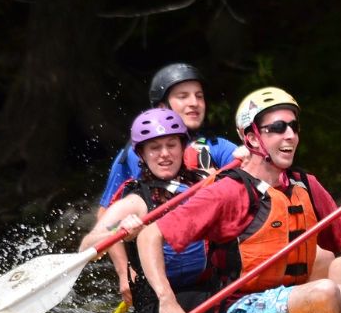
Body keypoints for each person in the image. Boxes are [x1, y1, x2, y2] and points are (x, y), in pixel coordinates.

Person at [137, 86, 341, 313]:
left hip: (295, 297)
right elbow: (149, 235)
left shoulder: (306, 185)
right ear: (253, 139)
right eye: (277, 128)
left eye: (293, 126)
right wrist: (167, 300)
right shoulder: (229, 191)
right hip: (239, 312)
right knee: (324, 291)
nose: (290, 135)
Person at [79, 108, 215, 313]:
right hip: (160, 308)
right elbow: (86, 247)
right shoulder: (135, 201)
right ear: (141, 154)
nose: (164, 154)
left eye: (171, 145)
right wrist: (118, 232)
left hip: (207, 287)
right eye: (155, 148)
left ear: (183, 147)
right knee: (230, 306)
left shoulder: (204, 181)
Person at [96, 62, 238, 214]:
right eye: (183, 97)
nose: (194, 103)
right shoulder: (135, 151)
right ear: (162, 107)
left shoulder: (218, 146)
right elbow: (105, 212)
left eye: (199, 96)